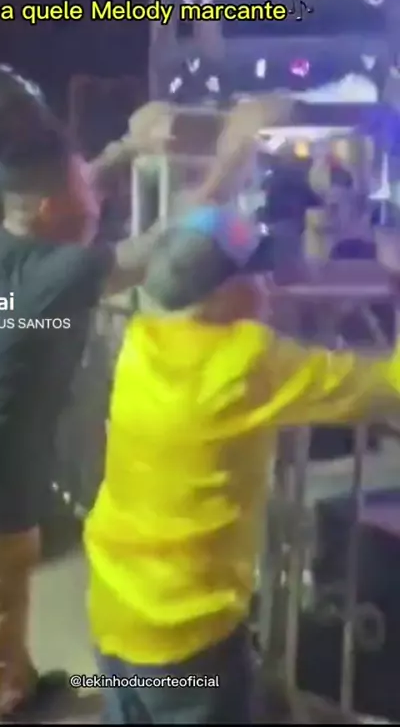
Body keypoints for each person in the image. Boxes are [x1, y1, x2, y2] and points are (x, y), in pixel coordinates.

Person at [0, 93, 290, 725]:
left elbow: (58, 190)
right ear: (50, 209)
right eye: (82, 193)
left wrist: (127, 147)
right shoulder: (61, 275)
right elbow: (167, 242)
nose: (95, 203)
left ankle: (19, 690)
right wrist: (235, 152)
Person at [84, 204, 400, 725]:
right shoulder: (246, 360)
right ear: (222, 292)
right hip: (188, 631)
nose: (269, 285)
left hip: (115, 607)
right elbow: (386, 385)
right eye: (257, 274)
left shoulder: (141, 340)